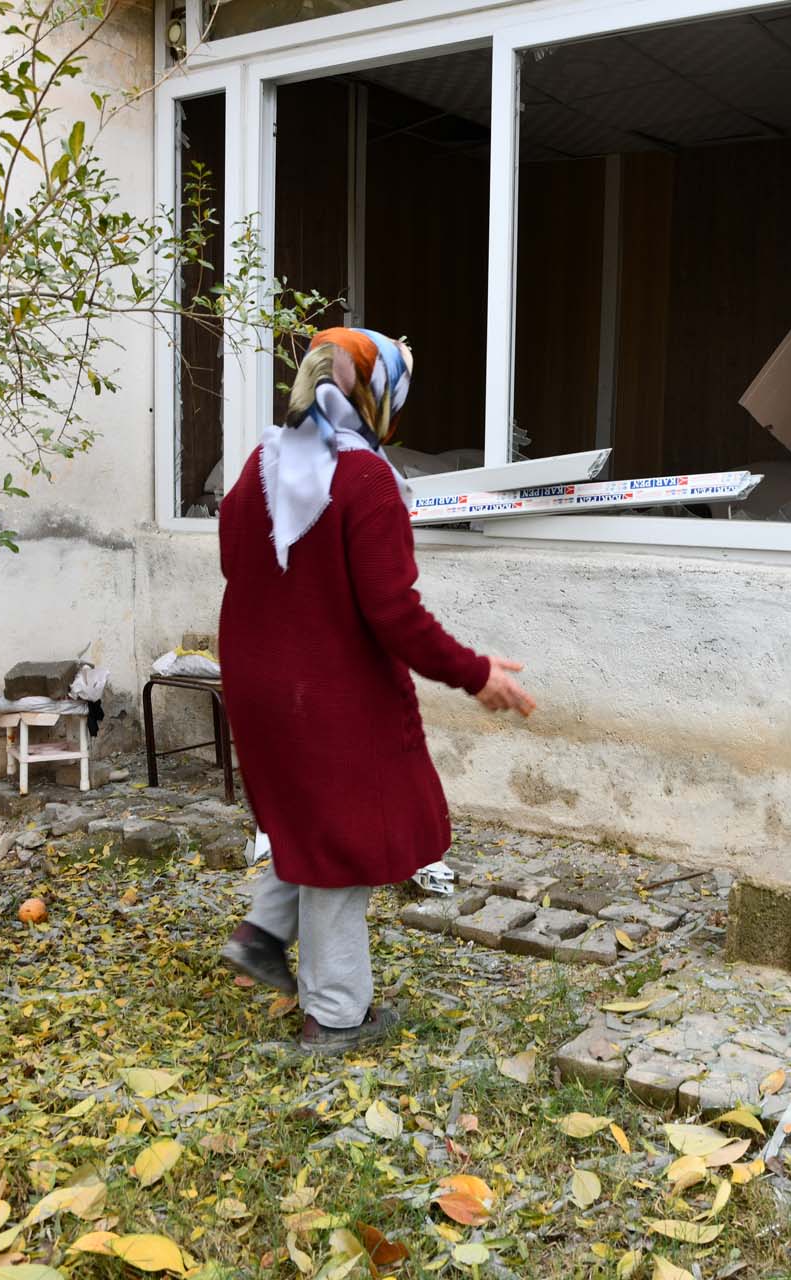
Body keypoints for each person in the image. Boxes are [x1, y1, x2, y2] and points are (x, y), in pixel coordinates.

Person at [214, 326, 535, 1055]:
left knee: (307, 817)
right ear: (375, 393)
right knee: (346, 846)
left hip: (259, 682)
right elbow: (393, 613)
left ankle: (262, 933)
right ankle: (334, 1017)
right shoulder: (364, 481)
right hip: (329, 694)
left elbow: (237, 564)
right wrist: (476, 673)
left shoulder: (262, 462)